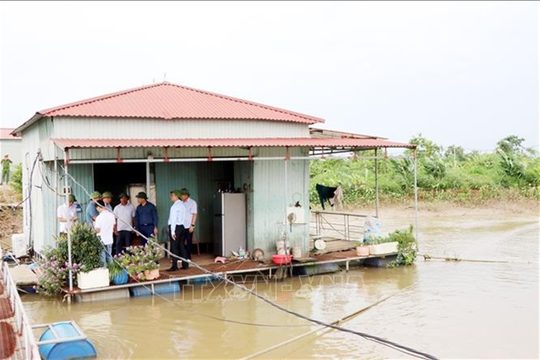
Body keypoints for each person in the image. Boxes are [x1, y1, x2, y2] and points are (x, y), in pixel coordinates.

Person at [167, 190, 188, 271]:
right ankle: (185, 264)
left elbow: (173, 220)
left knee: (174, 247)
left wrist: (172, 231)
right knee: (181, 246)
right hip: (182, 227)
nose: (171, 197)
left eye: (172, 195)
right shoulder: (182, 205)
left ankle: (174, 266)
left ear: (176, 196)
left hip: (175, 227)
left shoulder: (174, 206)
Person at [94, 200, 116, 267]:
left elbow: (98, 230)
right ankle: (112, 271)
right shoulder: (111, 215)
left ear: (98, 207)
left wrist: (93, 228)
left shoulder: (99, 218)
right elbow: (114, 225)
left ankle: (104, 271)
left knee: (102, 257)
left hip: (101, 239)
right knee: (109, 256)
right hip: (109, 238)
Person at [180, 188, 198, 260]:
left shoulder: (192, 203)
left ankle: (188, 257)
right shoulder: (180, 203)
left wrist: (192, 225)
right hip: (181, 225)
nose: (181, 197)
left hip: (189, 225)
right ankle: (182, 256)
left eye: (182, 195)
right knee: (180, 242)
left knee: (189, 241)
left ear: (186, 196)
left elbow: (195, 214)